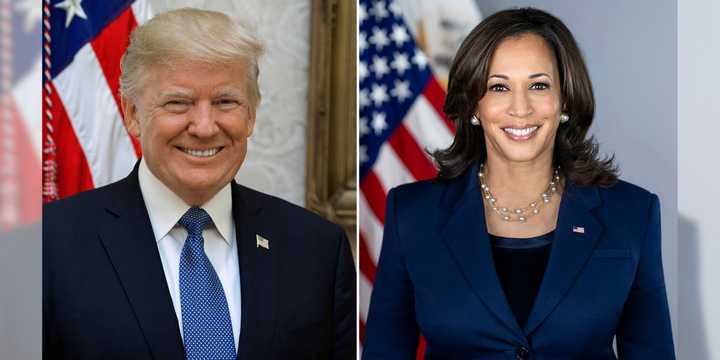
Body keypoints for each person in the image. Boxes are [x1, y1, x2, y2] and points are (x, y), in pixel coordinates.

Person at [43, 8, 355, 360]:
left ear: (250, 114)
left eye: (226, 102)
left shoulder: (317, 249)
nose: (205, 127)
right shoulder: (48, 245)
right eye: (178, 103)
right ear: (132, 114)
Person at [363, 8, 674, 359]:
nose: (520, 108)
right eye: (499, 87)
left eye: (538, 85)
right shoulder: (412, 214)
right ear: (474, 106)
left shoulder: (632, 213)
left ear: (565, 100)